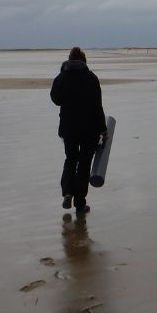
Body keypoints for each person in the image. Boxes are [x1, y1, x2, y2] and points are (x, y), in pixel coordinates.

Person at [50, 47, 107, 216]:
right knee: (84, 164)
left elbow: (55, 99)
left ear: (69, 59)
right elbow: (98, 105)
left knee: (70, 159)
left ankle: (67, 192)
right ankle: (80, 204)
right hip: (89, 129)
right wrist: (103, 129)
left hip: (68, 127)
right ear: (84, 61)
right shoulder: (91, 78)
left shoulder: (61, 78)